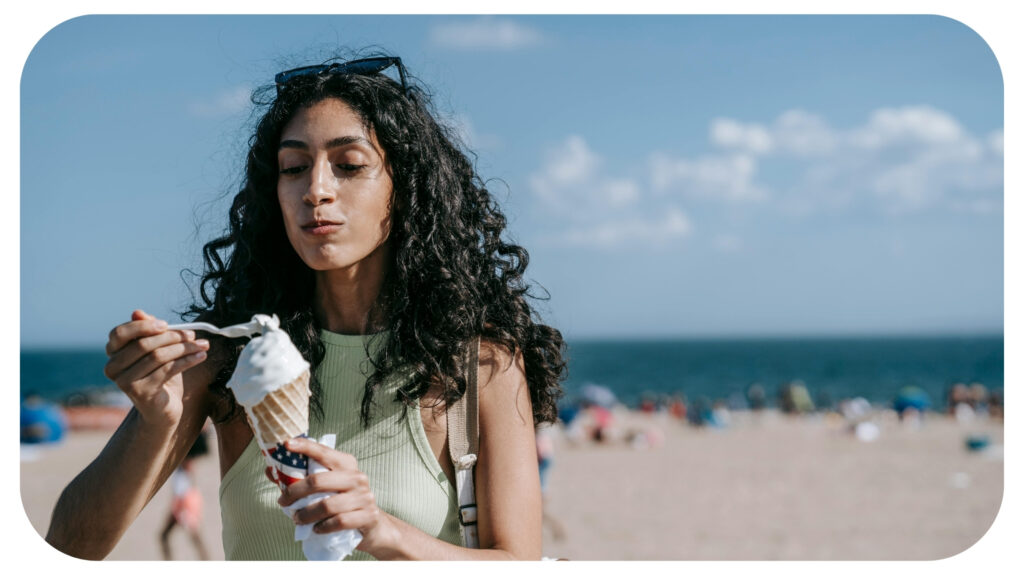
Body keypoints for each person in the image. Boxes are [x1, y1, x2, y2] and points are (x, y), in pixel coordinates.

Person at [46, 52, 566, 561]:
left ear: (405, 188)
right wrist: (154, 421)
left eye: (349, 165)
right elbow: (71, 546)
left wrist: (383, 532)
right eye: (294, 167)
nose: (315, 190)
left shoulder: (478, 364)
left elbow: (516, 560)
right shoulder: (225, 362)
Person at [159, 431, 211, 560]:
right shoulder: (181, 462)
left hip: (185, 501)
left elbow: (188, 477)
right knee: (167, 536)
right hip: (181, 500)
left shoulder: (185, 461)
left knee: (192, 536)